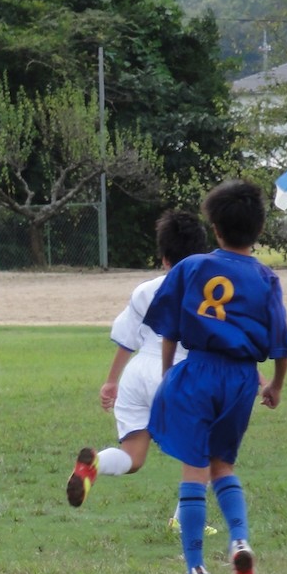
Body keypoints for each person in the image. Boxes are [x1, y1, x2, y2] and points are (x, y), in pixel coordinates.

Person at [143, 179, 287, 574]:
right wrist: (275, 385)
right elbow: (282, 341)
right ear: (259, 229)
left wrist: (170, 375)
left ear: (214, 227)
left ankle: (195, 570)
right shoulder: (266, 278)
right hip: (242, 379)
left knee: (194, 470)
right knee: (222, 465)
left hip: (199, 371)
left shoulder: (191, 267)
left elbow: (170, 326)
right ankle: (239, 541)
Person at [67, 209, 218, 534]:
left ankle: (95, 463)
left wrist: (111, 382)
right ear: (202, 255)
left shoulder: (144, 291)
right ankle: (183, 521)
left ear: (164, 258)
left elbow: (126, 339)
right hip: (177, 373)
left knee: (132, 456)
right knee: (202, 452)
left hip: (136, 375)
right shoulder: (208, 292)